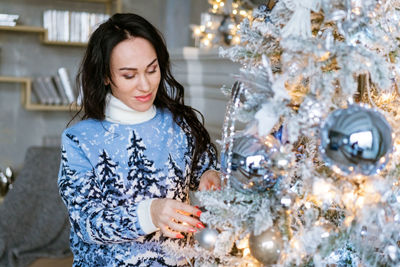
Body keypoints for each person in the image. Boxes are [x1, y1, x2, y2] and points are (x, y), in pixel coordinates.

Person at [58, 13, 220, 266]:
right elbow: (87, 224)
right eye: (129, 75)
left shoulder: (181, 124)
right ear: (106, 77)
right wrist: (150, 213)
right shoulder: (80, 140)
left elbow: (205, 167)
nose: (145, 85)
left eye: (152, 70)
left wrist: (210, 175)